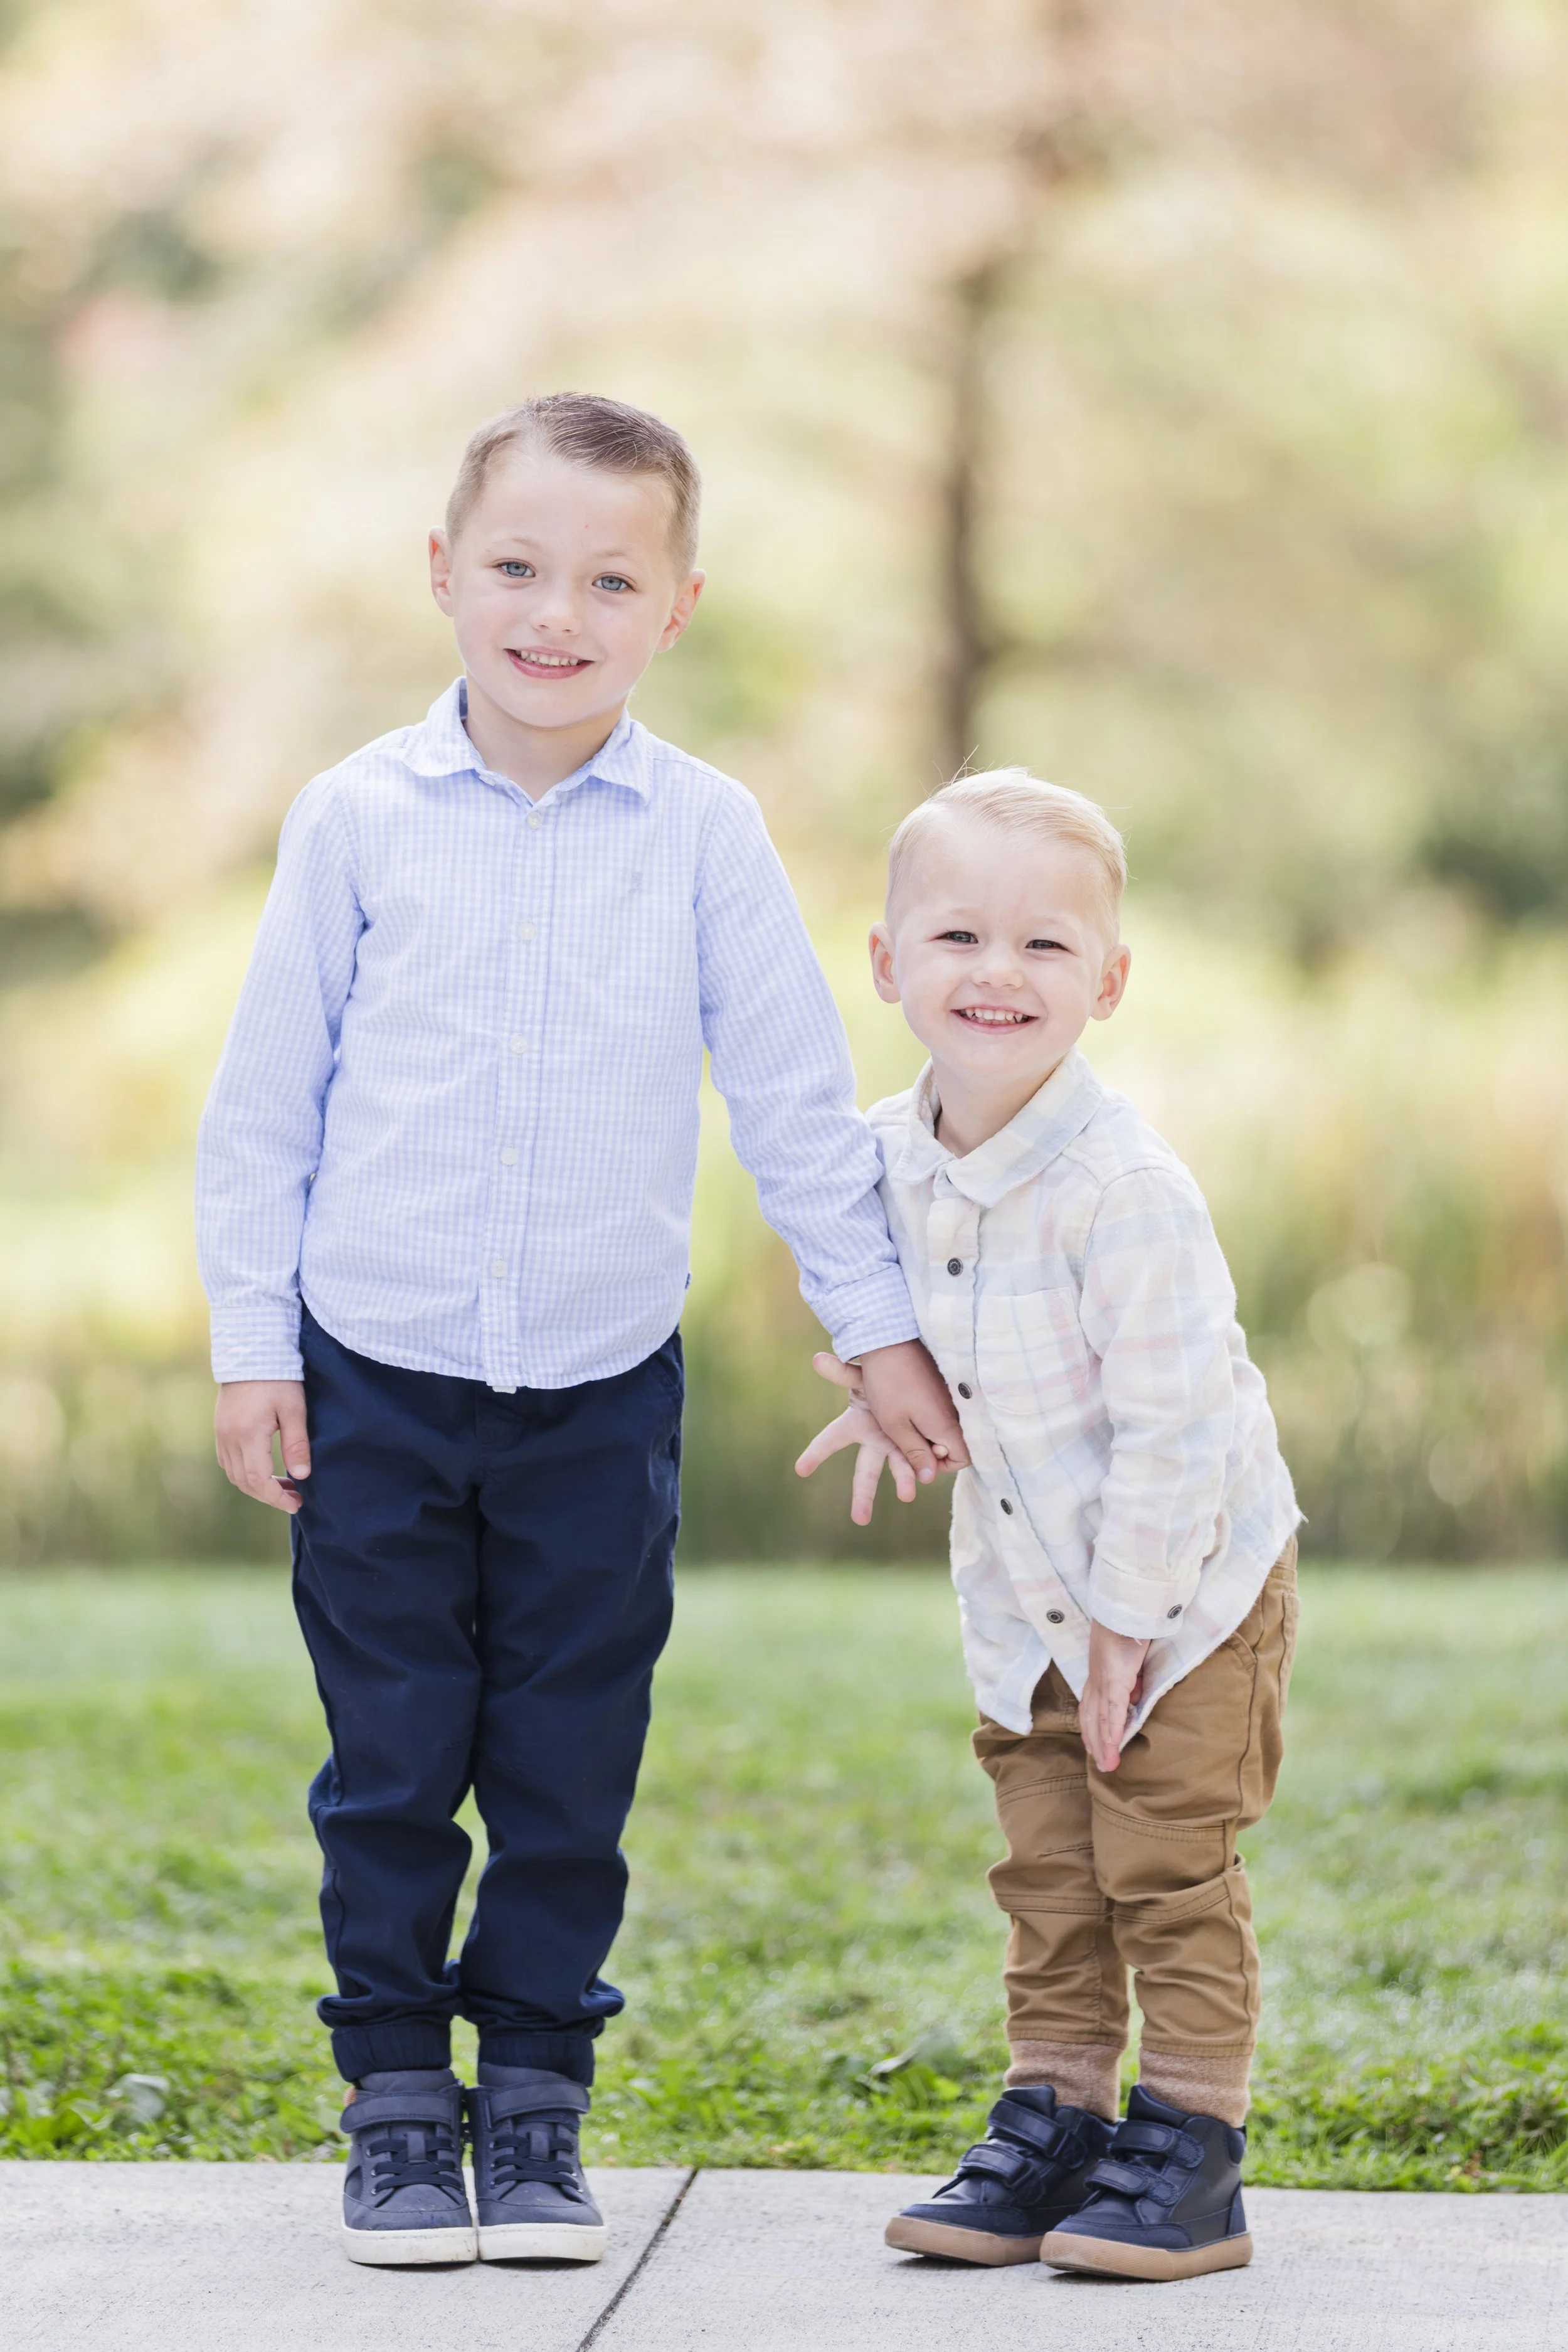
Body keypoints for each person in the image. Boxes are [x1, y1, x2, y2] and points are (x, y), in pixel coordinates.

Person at [196, 393, 965, 2268]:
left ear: (674, 606)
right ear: (443, 572)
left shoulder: (702, 833)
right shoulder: (356, 816)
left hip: (599, 1394)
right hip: (372, 1369)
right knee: (389, 1754)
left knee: (565, 1763)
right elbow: (266, 1107)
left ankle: (533, 2103)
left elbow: (794, 1103)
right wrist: (251, 1341)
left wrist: (874, 1328)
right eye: (521, 566)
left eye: (609, 578)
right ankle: (393, 2102)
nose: (558, 610)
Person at [797, 770, 1300, 2282]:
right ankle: (1055, 2115)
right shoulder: (887, 1152)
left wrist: (1127, 1629)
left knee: (1163, 1860)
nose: (995, 973)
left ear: (1110, 978)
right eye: (954, 935)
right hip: (1022, 1594)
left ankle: (1190, 2145)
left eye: (1044, 946)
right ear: (887, 963)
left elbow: (1175, 1432)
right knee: (1046, 1866)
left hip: (1183, 1588)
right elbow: (883, 1301)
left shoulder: (1120, 1189)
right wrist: (883, 1385)